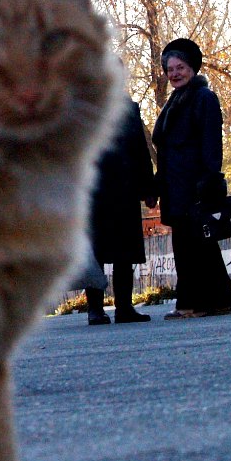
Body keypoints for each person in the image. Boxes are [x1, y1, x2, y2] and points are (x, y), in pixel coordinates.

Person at [151, 38, 231, 319]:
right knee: (195, 246)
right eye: (170, 69)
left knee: (193, 247)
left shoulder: (203, 98)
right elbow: (166, 150)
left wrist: (209, 180)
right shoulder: (175, 101)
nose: (174, 73)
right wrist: (156, 184)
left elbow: (211, 143)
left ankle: (194, 303)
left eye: (180, 67)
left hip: (194, 186)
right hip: (174, 187)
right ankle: (223, 300)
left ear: (192, 68)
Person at [85, 96, 158, 325]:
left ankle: (124, 307)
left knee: (124, 253)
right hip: (92, 192)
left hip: (125, 190)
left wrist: (148, 189)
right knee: (95, 254)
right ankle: (95, 309)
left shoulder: (129, 108)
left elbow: (141, 150)